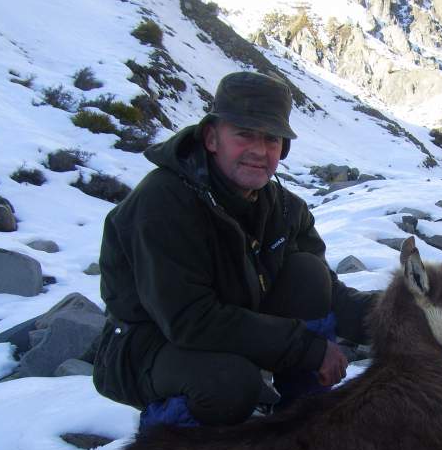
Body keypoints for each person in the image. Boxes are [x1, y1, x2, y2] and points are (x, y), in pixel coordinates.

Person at [93, 71, 376, 429]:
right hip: (147, 343)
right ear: (211, 138)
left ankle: (300, 419)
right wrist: (309, 348)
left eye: (272, 139)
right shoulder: (162, 203)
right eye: (244, 134)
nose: (259, 151)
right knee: (229, 384)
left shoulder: (285, 208)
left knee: (308, 272)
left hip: (226, 324)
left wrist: (389, 313)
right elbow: (189, 319)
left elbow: (327, 291)